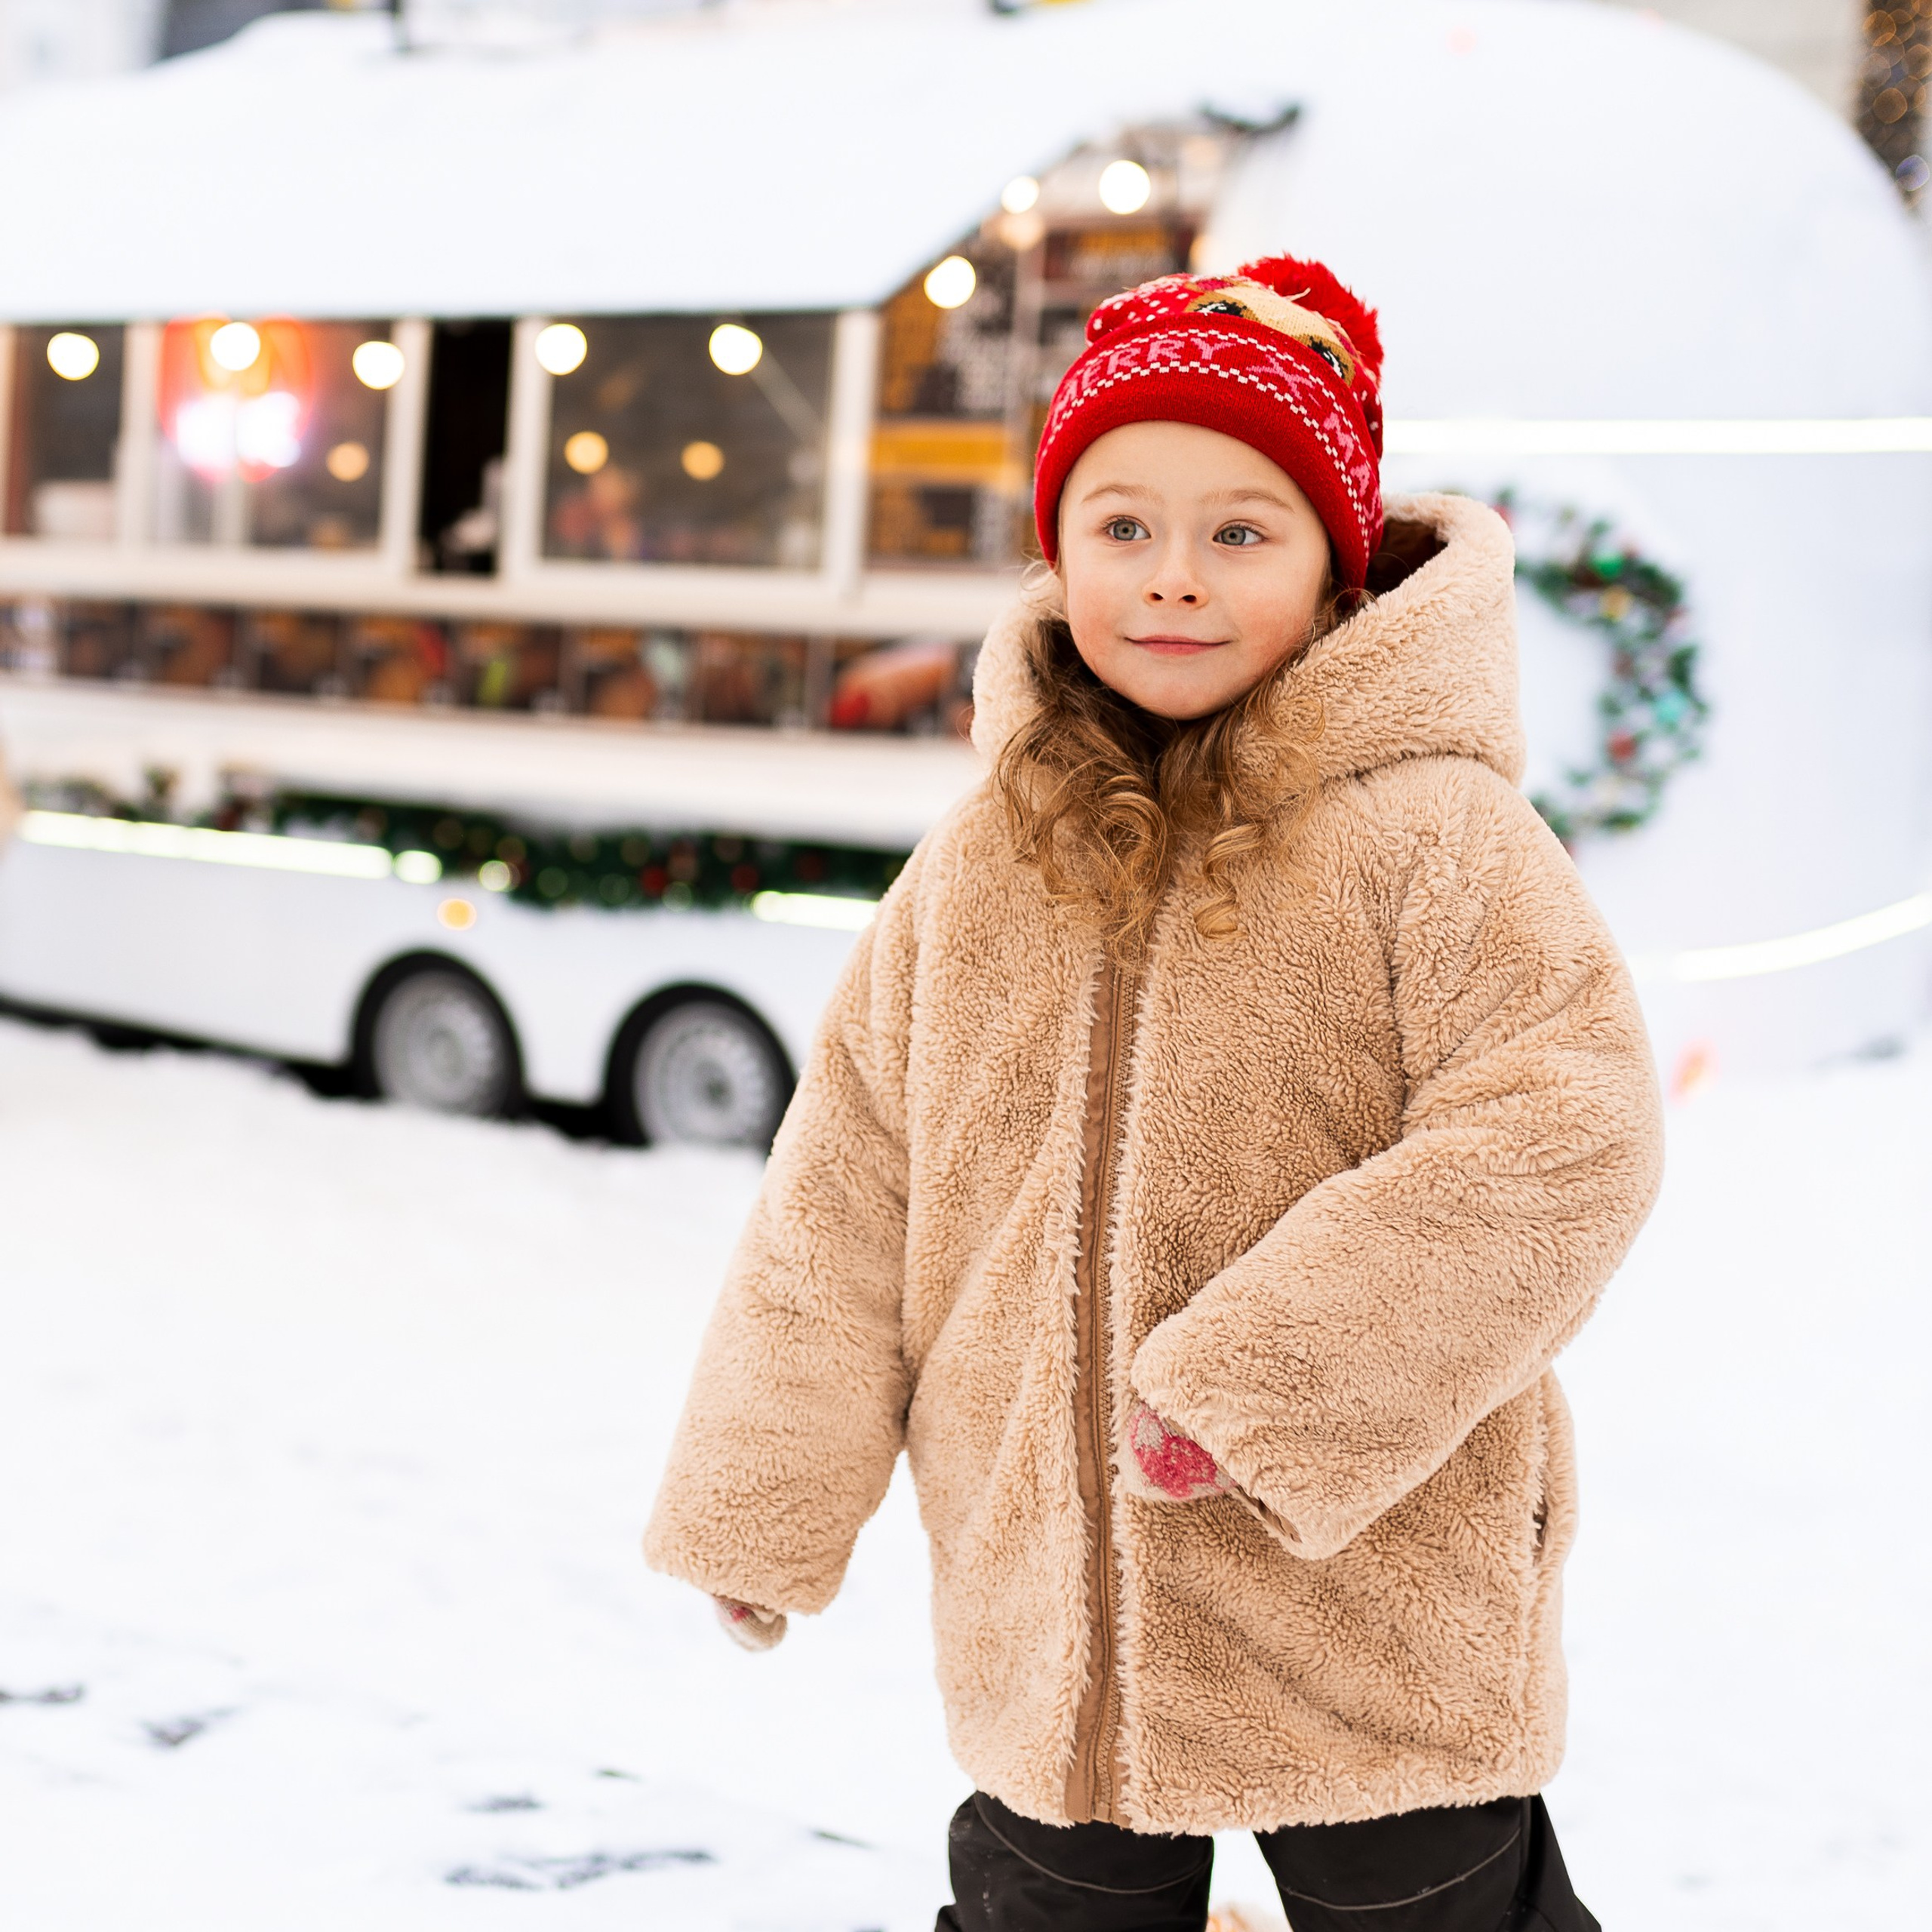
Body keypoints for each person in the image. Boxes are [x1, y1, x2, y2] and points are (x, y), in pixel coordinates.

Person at [645, 256, 1664, 1930]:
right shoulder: (982, 862)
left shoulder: (1433, 836)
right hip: (1047, 1586)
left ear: (1334, 569)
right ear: (1056, 553)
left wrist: (1263, 1386)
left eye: (1237, 534)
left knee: (1427, 1897)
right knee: (1049, 1888)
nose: (1171, 579)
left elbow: (1558, 1134)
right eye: (1122, 527)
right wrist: (769, 1483)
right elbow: (847, 1182)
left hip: (1362, 1593)